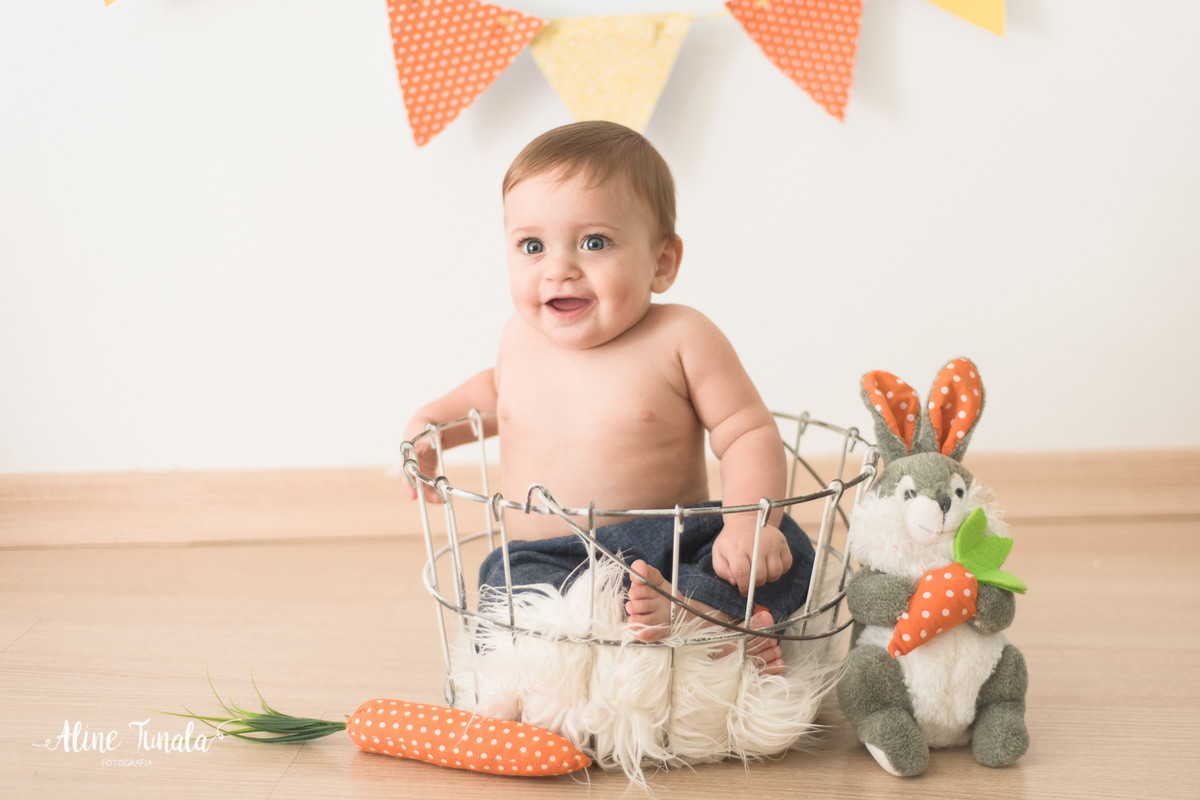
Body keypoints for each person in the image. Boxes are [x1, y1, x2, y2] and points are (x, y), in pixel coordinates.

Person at [403, 121, 813, 673]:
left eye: (594, 242)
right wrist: (432, 424)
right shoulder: (519, 338)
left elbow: (747, 432)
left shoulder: (682, 337)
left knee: (784, 548)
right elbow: (493, 396)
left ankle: (701, 616)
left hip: (674, 539)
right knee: (506, 591)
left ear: (662, 262)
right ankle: (681, 635)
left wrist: (748, 524)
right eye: (532, 245)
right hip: (548, 555)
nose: (560, 268)